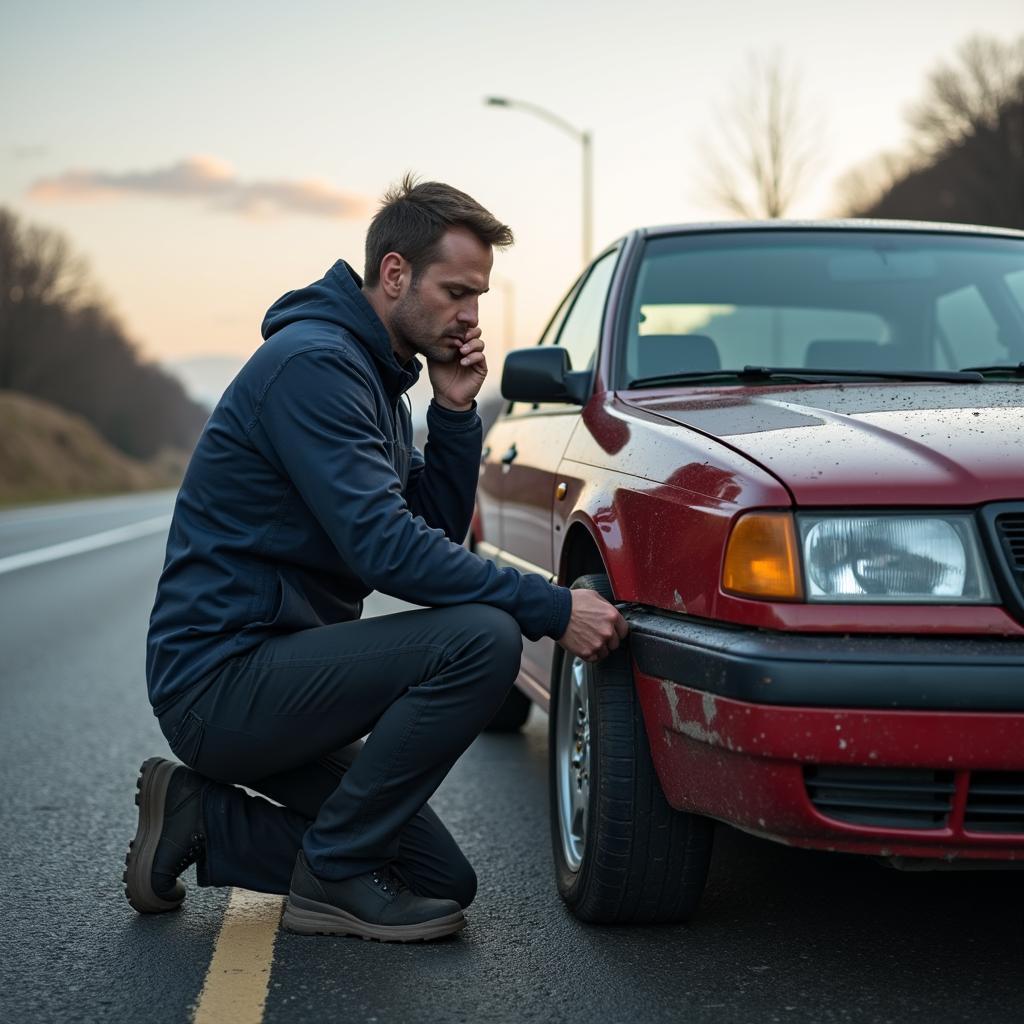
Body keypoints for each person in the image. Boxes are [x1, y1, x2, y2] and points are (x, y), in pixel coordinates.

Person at [124, 175, 628, 943]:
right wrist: (552, 608)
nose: (471, 316)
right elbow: (387, 551)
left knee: (438, 879)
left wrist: (454, 412)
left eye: (479, 296)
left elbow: (424, 525)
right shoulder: (314, 368)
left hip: (282, 676)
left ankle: (203, 823)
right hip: (222, 681)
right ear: (394, 274)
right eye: (457, 291)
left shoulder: (377, 383)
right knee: (483, 637)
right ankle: (330, 879)